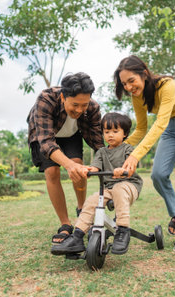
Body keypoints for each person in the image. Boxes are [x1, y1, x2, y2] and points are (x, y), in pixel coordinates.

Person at [113, 55, 175, 253]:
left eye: (132, 80)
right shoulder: (136, 97)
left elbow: (160, 123)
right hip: (170, 129)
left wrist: (135, 156)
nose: (129, 87)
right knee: (157, 175)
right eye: (125, 84)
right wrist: (121, 147)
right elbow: (141, 129)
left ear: (144, 74)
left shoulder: (167, 85)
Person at [27, 72, 104, 244]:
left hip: (71, 134)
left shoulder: (92, 108)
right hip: (45, 134)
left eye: (83, 105)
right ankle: (65, 224)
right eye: (75, 105)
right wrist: (67, 165)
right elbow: (46, 142)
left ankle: (82, 211)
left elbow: (98, 143)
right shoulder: (46, 99)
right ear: (63, 96)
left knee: (78, 165)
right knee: (52, 171)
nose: (79, 110)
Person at [51, 112, 143, 255]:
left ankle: (123, 230)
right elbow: (96, 167)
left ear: (124, 134)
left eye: (115, 131)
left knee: (119, 188)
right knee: (92, 200)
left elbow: (131, 169)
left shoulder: (128, 149)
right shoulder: (101, 152)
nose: (110, 135)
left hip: (129, 185)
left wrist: (123, 170)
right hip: (109, 188)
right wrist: (88, 170)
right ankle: (77, 236)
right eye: (106, 132)